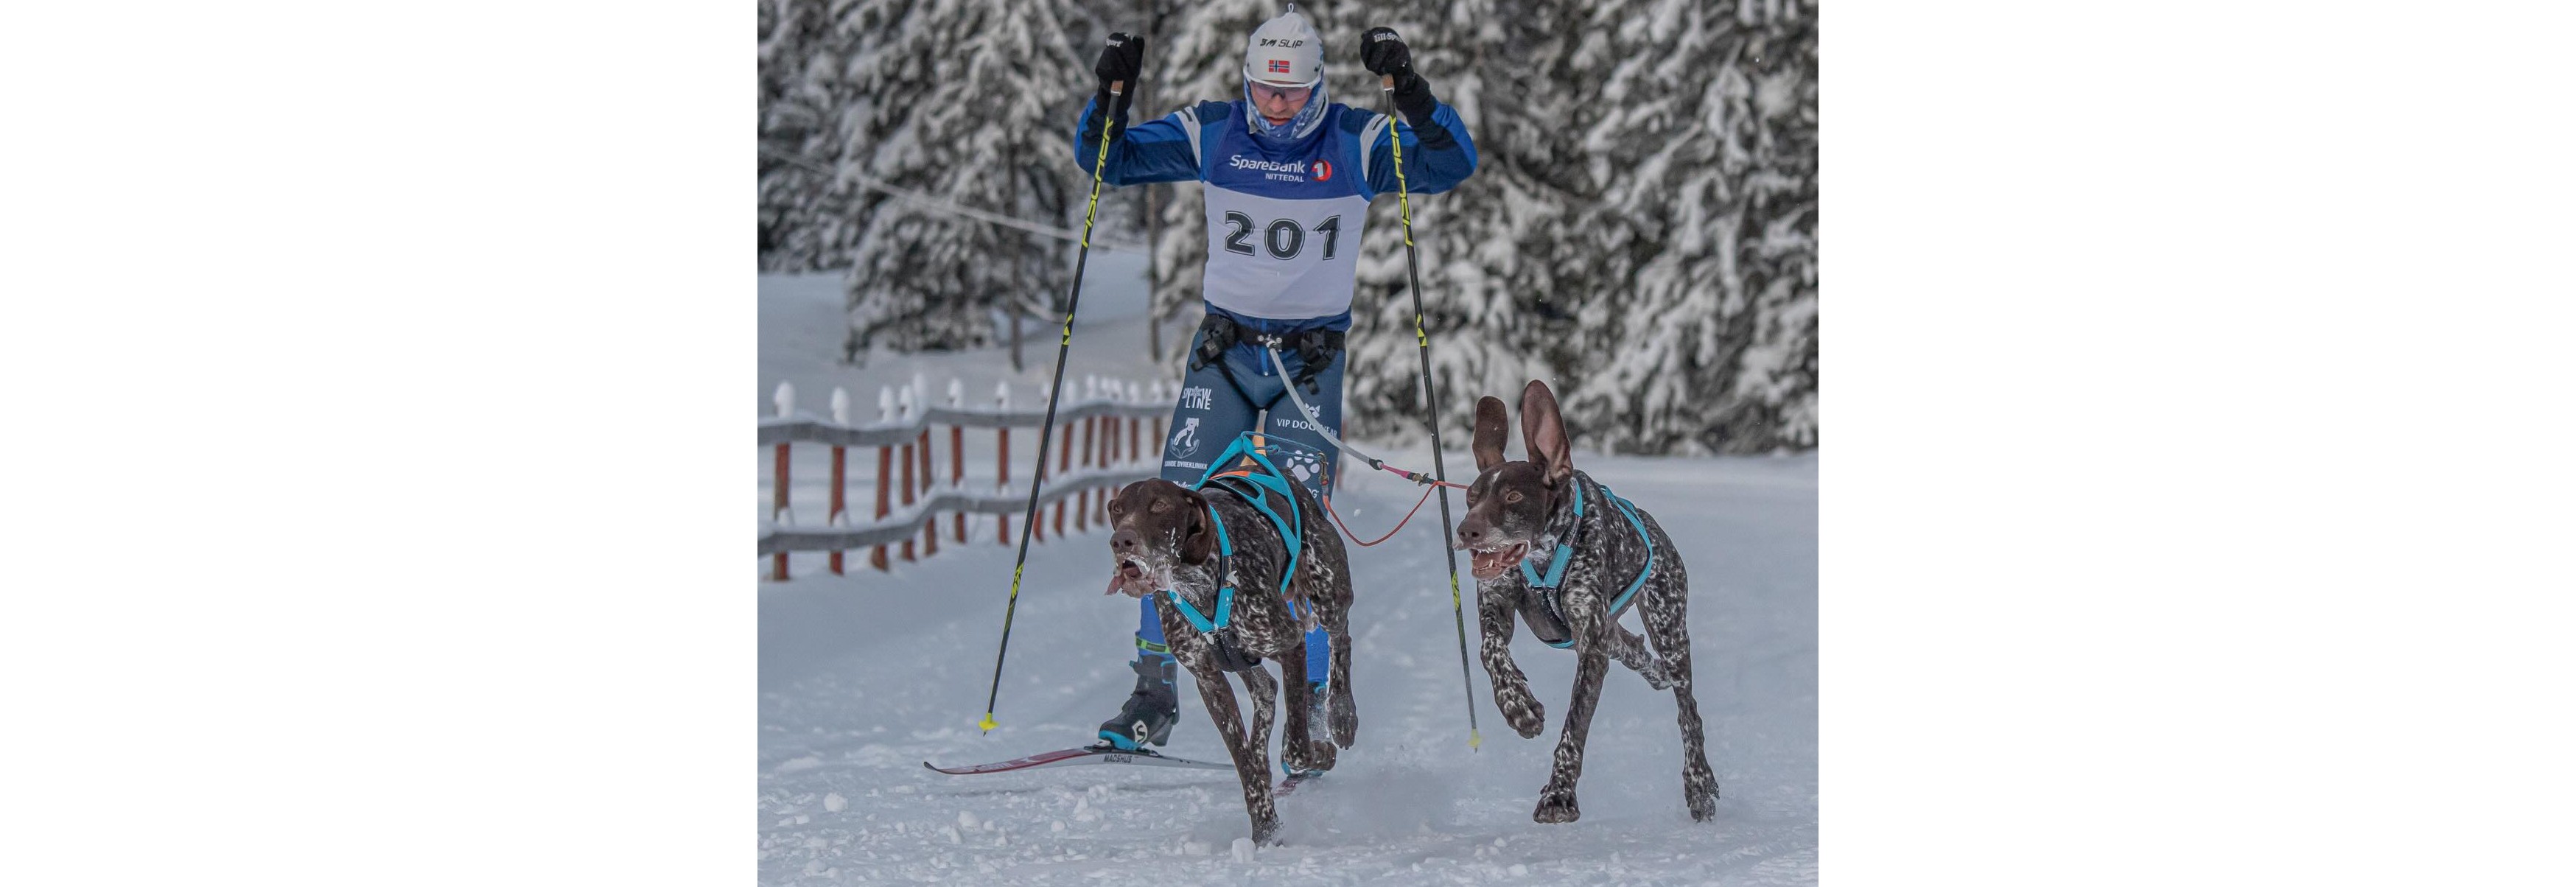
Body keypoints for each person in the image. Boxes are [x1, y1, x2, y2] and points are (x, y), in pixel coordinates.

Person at [1072, 7, 1478, 757]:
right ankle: (1154, 691)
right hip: (1224, 354)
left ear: (1318, 87)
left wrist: (1410, 88)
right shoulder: (1215, 132)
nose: (1277, 105)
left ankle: (1310, 700)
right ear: (1247, 82)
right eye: (1264, 89)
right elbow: (1108, 161)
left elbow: (1452, 163)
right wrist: (1112, 95)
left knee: (1300, 525)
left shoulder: (1356, 141)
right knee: (1167, 511)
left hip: (1308, 363)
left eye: (1292, 93)